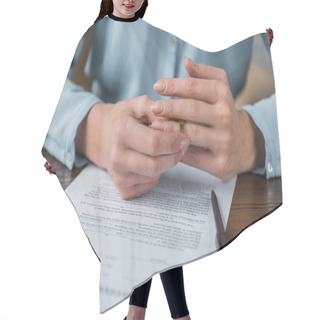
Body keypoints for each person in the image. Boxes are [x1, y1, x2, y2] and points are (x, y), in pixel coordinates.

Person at [42, 0, 281, 318]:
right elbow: (66, 97)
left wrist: (253, 133)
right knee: (158, 242)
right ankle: (173, 316)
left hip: (184, 170)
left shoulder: (175, 29)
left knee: (157, 243)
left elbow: (260, 82)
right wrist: (86, 131)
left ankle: (139, 315)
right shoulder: (94, 34)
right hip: (124, 181)